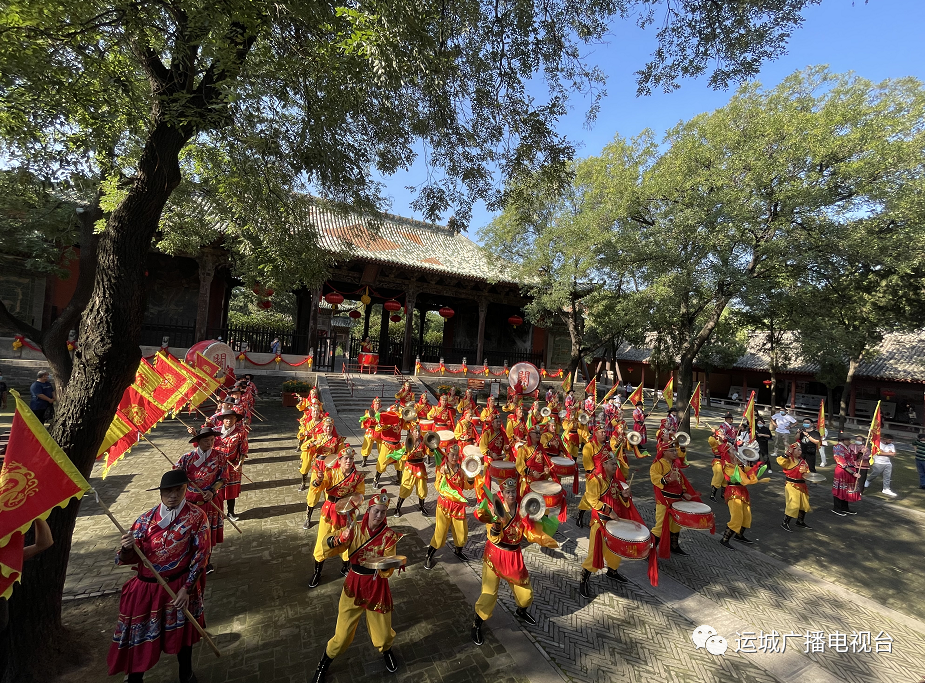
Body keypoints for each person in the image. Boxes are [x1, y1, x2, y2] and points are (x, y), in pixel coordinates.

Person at [107, 470, 210, 683]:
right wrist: (127, 548)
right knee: (140, 637)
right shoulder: (144, 520)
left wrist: (187, 588)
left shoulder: (197, 517)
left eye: (178, 490)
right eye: (167, 491)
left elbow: (202, 555)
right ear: (161, 493)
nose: (172, 495)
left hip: (178, 587)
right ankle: (135, 678)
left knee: (183, 636)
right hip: (146, 590)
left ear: (185, 490)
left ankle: (186, 674)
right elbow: (128, 558)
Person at [311, 489, 404, 682]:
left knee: (384, 633)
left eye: (383, 512)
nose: (379, 516)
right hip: (354, 584)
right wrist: (341, 539)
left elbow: (387, 569)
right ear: (368, 510)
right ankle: (324, 662)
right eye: (375, 511)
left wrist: (390, 565)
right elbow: (327, 544)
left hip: (377, 587)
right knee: (342, 635)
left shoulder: (389, 536)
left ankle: (386, 650)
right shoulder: (354, 528)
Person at [470, 477, 554, 646]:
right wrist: (496, 524)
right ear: (502, 493)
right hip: (495, 555)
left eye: (513, 491)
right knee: (489, 595)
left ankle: (521, 610)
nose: (511, 495)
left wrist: (539, 519)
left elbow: (530, 529)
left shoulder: (522, 509)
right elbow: (493, 537)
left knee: (526, 594)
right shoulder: (496, 510)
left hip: (514, 556)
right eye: (508, 492)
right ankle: (476, 624)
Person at [579, 451, 648, 598]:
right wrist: (608, 511)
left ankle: (612, 571)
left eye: (616, 463)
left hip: (614, 523)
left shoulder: (615, 481)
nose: (615, 466)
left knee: (615, 551)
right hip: (600, 522)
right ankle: (584, 578)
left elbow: (619, 501)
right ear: (604, 464)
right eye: (612, 463)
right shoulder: (595, 480)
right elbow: (592, 500)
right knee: (595, 552)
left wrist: (625, 496)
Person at [310, 448, 366, 588]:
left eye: (351, 459)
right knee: (322, 539)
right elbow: (319, 486)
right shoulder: (331, 473)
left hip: (347, 511)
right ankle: (317, 571)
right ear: (339, 461)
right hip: (330, 511)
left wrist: (353, 502)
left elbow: (360, 494)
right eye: (345, 459)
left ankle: (345, 567)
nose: (348, 461)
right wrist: (318, 480)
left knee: (348, 540)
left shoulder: (357, 476)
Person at [174, 427, 226, 572]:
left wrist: (212, 490)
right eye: (206, 441)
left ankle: (206, 561)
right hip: (190, 503)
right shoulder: (186, 458)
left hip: (210, 501)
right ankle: (189, 561)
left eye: (212, 440)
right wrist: (179, 474)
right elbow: (176, 478)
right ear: (198, 441)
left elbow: (223, 477)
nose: (209, 443)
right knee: (189, 534)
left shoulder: (220, 457)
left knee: (207, 533)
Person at [424, 443, 475, 569]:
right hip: (444, 505)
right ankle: (429, 555)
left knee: (461, 533)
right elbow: (437, 486)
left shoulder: (461, 469)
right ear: (447, 455)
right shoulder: (442, 469)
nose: (454, 457)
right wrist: (442, 477)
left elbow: (466, 487)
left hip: (457, 505)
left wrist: (471, 480)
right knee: (440, 533)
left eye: (456, 455)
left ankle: (458, 551)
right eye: (452, 454)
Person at [650, 446, 701, 558]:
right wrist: (667, 479)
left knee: (676, 525)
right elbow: (654, 478)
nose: (675, 452)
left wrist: (683, 493)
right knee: (660, 526)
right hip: (664, 501)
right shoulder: (658, 465)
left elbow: (680, 481)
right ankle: (649, 551)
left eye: (675, 450)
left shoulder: (674, 465)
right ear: (664, 452)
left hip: (676, 501)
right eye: (672, 450)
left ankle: (674, 546)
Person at [719, 450, 765, 549]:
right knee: (737, 517)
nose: (736, 453)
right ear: (728, 455)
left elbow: (749, 472)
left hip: (743, 492)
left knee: (747, 516)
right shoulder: (727, 466)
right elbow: (736, 477)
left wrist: (756, 467)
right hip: (733, 492)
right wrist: (737, 465)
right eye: (732, 452)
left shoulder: (741, 466)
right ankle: (724, 539)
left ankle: (739, 535)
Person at [213, 410, 248, 521]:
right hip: (216, 466)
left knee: (231, 489)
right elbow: (203, 442)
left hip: (232, 465)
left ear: (236, 420)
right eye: (227, 418)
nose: (229, 420)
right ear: (223, 420)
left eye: (232, 418)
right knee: (217, 490)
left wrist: (240, 464)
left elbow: (244, 450)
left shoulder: (241, 432)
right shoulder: (215, 431)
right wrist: (195, 433)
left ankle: (231, 512)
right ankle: (219, 513)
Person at [776, 442, 812, 531]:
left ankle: (800, 521)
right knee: (794, 504)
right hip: (791, 485)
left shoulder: (803, 461)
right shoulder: (789, 459)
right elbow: (780, 461)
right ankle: (785, 522)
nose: (800, 452)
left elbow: (807, 472)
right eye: (798, 450)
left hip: (802, 485)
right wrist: (786, 454)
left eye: (801, 450)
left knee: (804, 504)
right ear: (792, 451)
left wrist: (809, 475)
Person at [395, 425, 429, 516]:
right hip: (409, 467)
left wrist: (432, 448)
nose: (417, 433)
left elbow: (429, 452)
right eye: (415, 432)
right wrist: (406, 453)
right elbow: (402, 456)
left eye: (419, 431)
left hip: (420, 467)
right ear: (412, 432)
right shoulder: (407, 441)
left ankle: (422, 506)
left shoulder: (423, 442)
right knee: (405, 487)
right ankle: (398, 508)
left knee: (422, 489)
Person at [831, 435, 862, 516]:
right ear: (842, 440)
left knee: (846, 490)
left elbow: (854, 458)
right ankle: (837, 508)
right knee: (839, 489)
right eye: (848, 440)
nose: (850, 441)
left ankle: (845, 507)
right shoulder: (838, 448)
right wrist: (853, 473)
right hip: (842, 471)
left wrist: (861, 452)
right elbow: (841, 462)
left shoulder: (848, 448)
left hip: (850, 470)